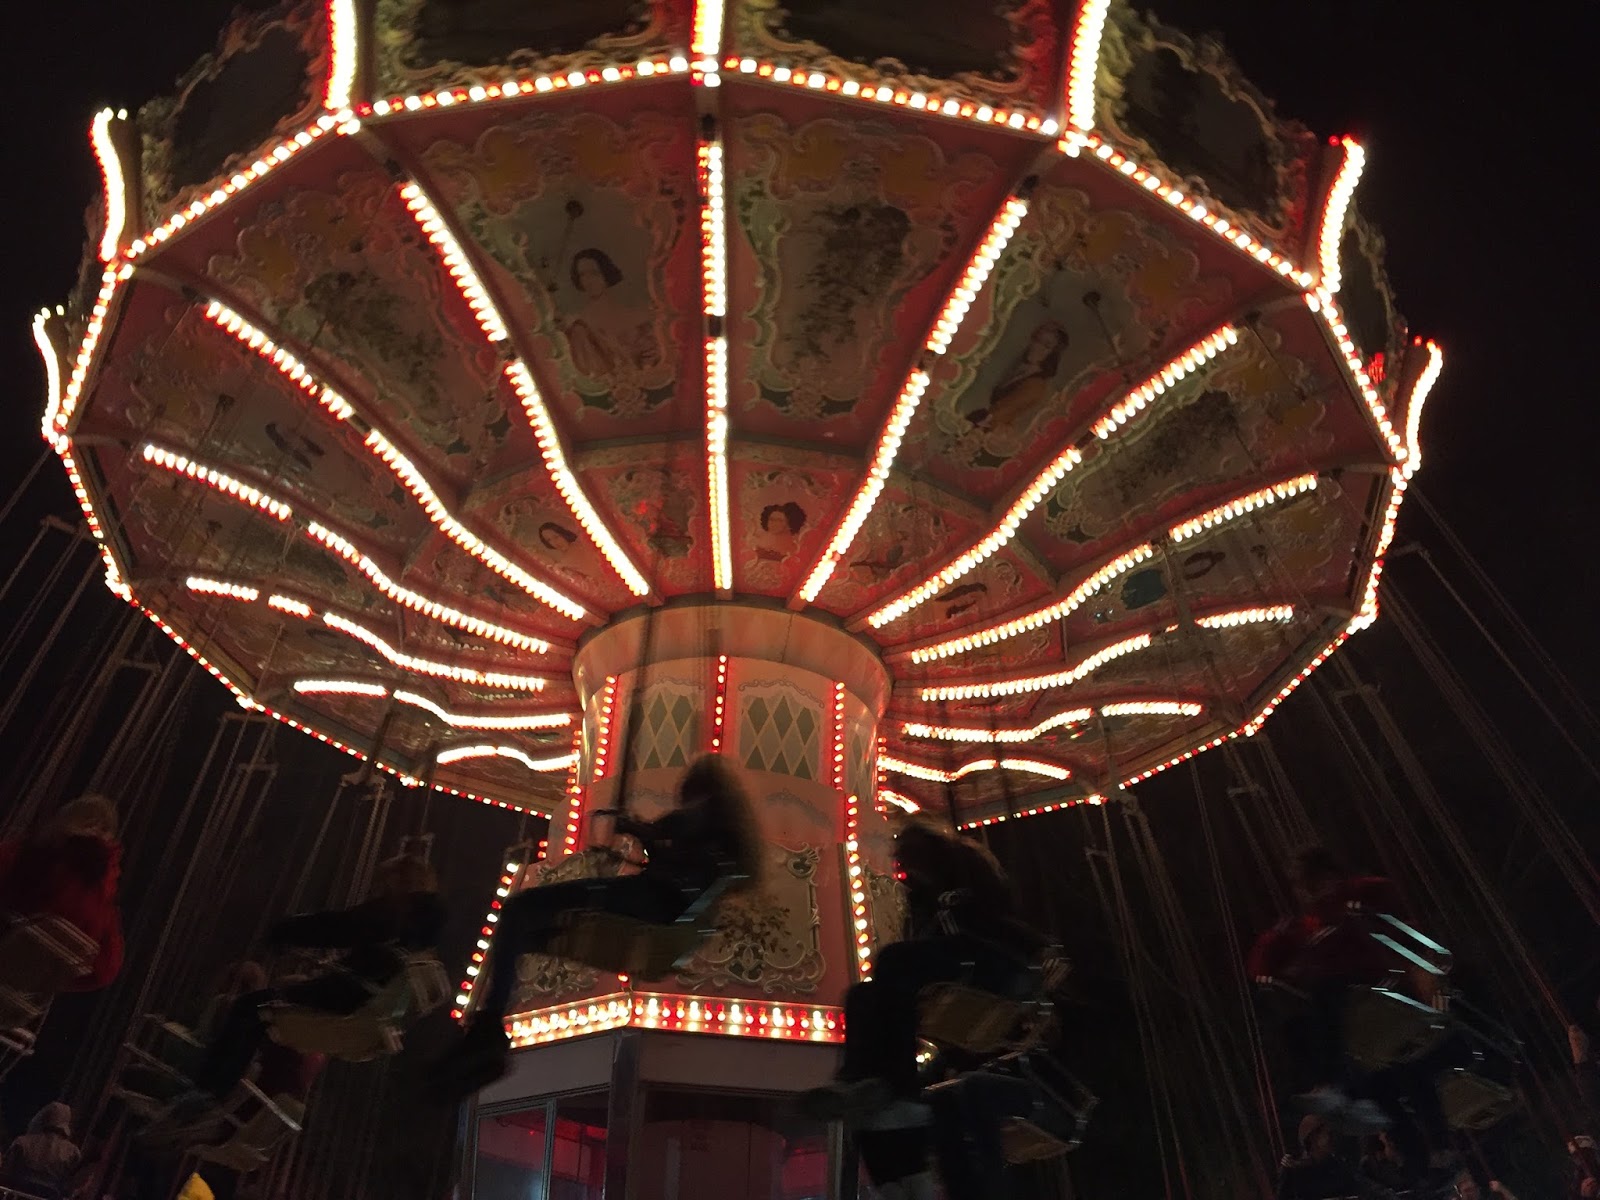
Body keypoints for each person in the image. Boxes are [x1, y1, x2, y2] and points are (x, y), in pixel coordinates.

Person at [433, 755, 764, 1096]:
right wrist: (644, 834)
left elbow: (676, 845)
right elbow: (677, 853)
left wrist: (638, 829)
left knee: (520, 908)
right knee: (525, 936)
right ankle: (489, 1029)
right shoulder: (727, 843)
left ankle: (490, 1023)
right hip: (659, 919)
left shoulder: (700, 822)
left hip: (646, 906)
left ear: (701, 792)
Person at [156, 853, 444, 1126]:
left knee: (250, 1009)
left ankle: (207, 1095)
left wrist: (284, 930)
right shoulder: (421, 933)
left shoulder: (396, 914)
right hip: (361, 1007)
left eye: (384, 884)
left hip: (346, 1002)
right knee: (258, 1013)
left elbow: (337, 927)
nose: (378, 891)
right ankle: (212, 1094)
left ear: (399, 883)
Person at [799, 820, 1053, 1125]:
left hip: (994, 963)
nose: (899, 867)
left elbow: (995, 917)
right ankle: (856, 1079)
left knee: (893, 960)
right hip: (959, 963)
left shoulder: (963, 876)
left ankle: (898, 1083)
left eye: (904, 858)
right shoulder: (922, 899)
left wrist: (951, 902)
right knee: (861, 994)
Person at [1248, 846, 1403, 1130]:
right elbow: (1260, 966)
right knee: (1296, 1026)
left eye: (1311, 883)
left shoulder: (1351, 897)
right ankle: (1350, 1095)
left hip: (1371, 984)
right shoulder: (1308, 924)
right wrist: (1276, 941)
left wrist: (1345, 899)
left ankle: (1334, 1086)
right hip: (1343, 998)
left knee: (1325, 994)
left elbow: (1383, 896)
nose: (1307, 892)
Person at [0, 795, 125, 991]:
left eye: (102, 827)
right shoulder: (103, 892)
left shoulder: (34, 851)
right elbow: (106, 966)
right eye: (89, 821)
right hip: (29, 984)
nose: (94, 830)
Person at [1276, 1114, 1385, 1199]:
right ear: (1313, 1137)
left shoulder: (1338, 1166)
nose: (1333, 1138)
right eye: (1328, 1133)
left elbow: (1362, 1185)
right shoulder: (1294, 1170)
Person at [0, 1101, 81, 1198]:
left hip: (16, 1195)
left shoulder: (22, 1142)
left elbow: (6, 1172)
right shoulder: (73, 1152)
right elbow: (71, 1184)